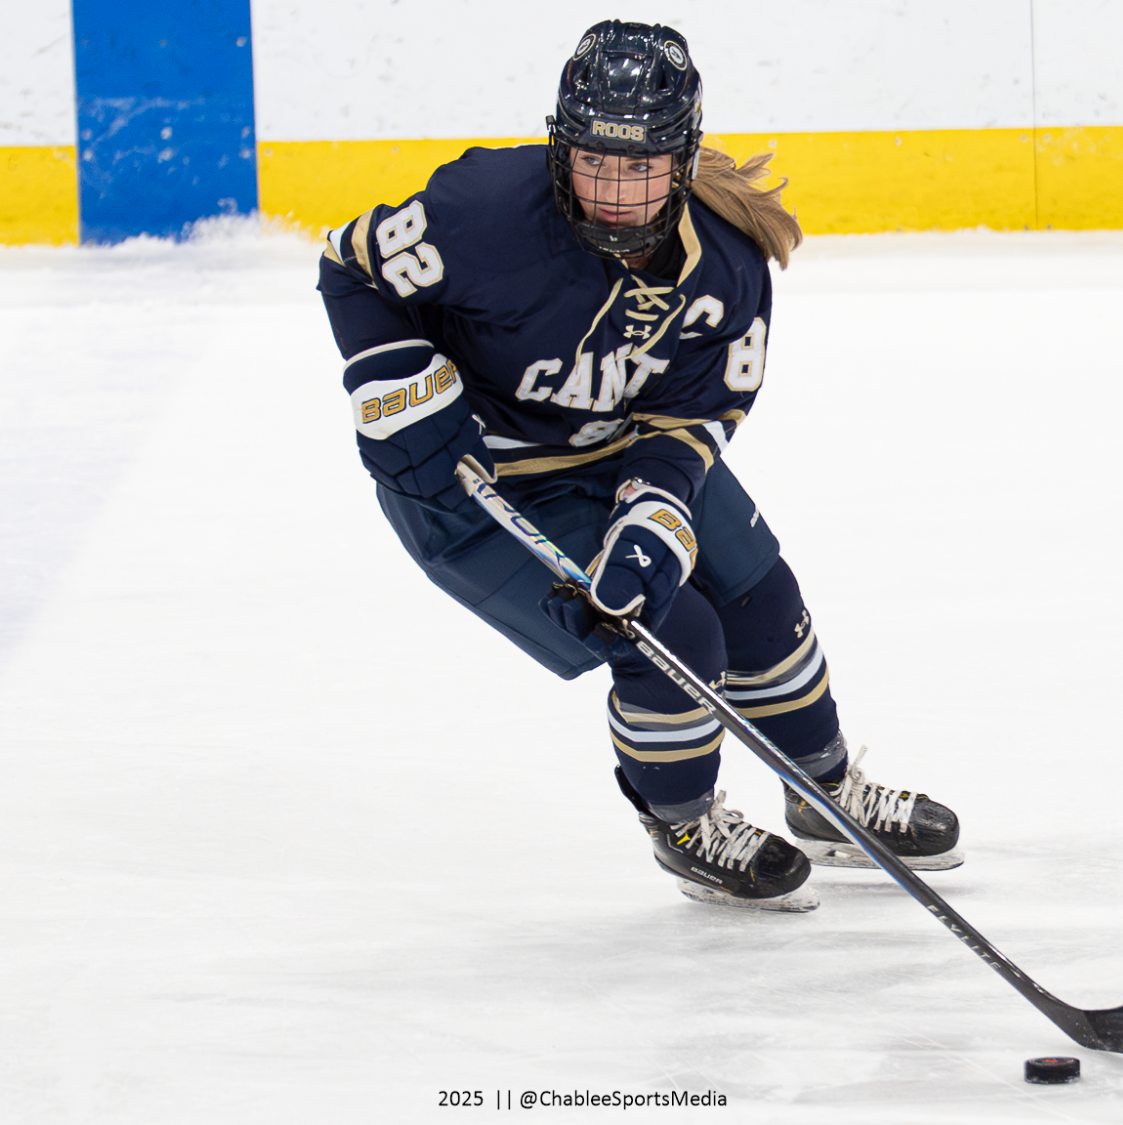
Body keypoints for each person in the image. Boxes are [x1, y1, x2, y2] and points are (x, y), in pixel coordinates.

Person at [317, 20, 959, 911]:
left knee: (759, 596)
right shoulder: (482, 209)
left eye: (641, 166)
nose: (615, 191)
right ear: (559, 148)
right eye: (594, 161)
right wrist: (397, 387)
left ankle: (826, 792)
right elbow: (350, 269)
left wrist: (650, 516)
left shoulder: (728, 264)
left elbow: (691, 416)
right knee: (672, 637)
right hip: (476, 484)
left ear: (683, 156)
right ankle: (684, 822)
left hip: (619, 451)